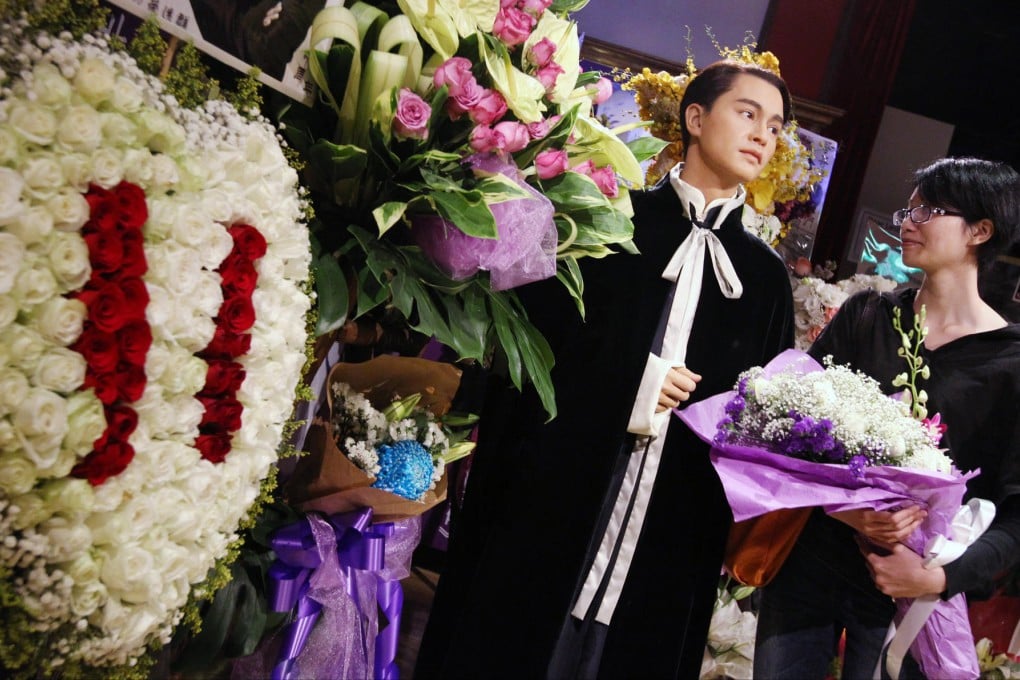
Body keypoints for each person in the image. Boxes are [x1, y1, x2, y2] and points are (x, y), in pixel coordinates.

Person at [415, 60, 795, 679]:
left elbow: (754, 424)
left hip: (671, 529)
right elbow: (525, 355)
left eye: (775, 126)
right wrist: (630, 383)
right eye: (748, 114)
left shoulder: (766, 281)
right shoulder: (612, 221)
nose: (763, 135)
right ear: (695, 119)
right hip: (558, 499)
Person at [754, 157, 1020, 679]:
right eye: (909, 208)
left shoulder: (1009, 364)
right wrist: (844, 509)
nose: (908, 221)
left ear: (981, 231)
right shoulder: (868, 317)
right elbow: (788, 433)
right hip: (814, 564)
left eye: (930, 210)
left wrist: (939, 579)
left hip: (915, 594)